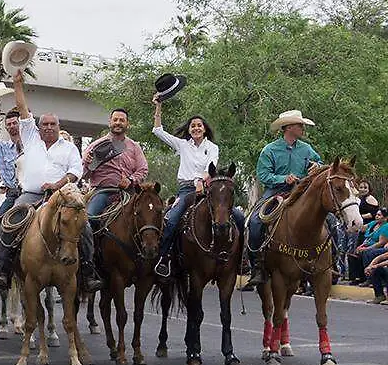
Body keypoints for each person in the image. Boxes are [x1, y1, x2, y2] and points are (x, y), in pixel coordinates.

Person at [0, 71, 87, 290]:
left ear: (59, 127)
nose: (49, 127)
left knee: (85, 228)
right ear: (39, 127)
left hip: (64, 198)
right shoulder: (30, 137)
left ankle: (88, 272)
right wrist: (17, 84)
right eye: (45, 124)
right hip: (31, 195)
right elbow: (22, 108)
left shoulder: (69, 147)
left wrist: (58, 185)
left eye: (53, 124)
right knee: (9, 222)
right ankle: (3, 269)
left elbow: (75, 171)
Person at [150, 97, 241, 278]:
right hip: (186, 191)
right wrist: (158, 107)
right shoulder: (183, 145)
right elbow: (158, 131)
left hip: (209, 190)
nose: (196, 128)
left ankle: (238, 261)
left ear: (205, 128)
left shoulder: (213, 147)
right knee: (171, 219)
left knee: (238, 217)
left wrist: (201, 180)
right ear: (189, 130)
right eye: (193, 126)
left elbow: (211, 167)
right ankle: (164, 258)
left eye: (199, 125)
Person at [246, 110, 325, 287]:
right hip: (276, 192)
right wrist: (283, 178)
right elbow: (264, 175)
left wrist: (316, 166)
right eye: (300, 125)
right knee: (255, 222)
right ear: (289, 127)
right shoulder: (270, 150)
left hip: (302, 191)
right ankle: (257, 266)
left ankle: (327, 262)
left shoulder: (306, 149)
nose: (303, 128)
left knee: (330, 219)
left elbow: (319, 162)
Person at [80, 107, 148, 289]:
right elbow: (84, 174)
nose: (118, 123)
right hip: (102, 191)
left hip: (128, 193)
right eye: (115, 120)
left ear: (127, 124)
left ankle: (150, 265)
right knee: (88, 221)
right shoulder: (96, 146)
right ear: (110, 122)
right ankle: (88, 266)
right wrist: (86, 162)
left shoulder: (134, 147)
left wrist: (132, 180)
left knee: (149, 221)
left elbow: (143, 169)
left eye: (122, 120)